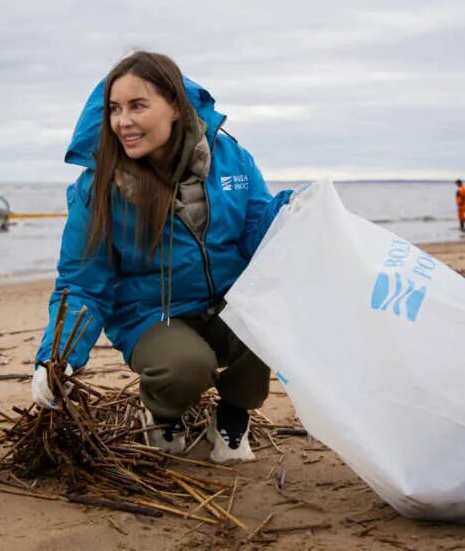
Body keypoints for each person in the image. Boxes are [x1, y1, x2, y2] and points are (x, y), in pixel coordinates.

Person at [31, 51, 292, 463]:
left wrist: (294, 212)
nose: (123, 122)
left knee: (268, 323)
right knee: (186, 366)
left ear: (175, 106)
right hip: (150, 314)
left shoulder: (231, 158)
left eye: (138, 106)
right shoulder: (97, 188)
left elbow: (255, 231)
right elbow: (83, 282)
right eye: (114, 109)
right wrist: (57, 357)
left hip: (226, 303)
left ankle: (233, 416)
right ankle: (161, 410)